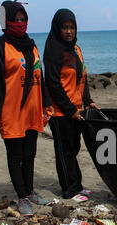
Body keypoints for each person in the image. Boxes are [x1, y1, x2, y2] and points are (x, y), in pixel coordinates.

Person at [0, 1, 54, 216]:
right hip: (11, 111)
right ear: (5, 21)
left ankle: (30, 190)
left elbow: (38, 75)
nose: (20, 23)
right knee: (15, 156)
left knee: (30, 154)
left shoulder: (31, 45)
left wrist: (46, 103)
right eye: (16, 19)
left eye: (23, 19)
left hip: (33, 109)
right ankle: (22, 197)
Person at [44, 9, 99, 203]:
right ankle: (69, 189)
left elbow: (81, 78)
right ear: (57, 29)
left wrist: (87, 100)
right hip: (60, 111)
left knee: (74, 148)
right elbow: (53, 84)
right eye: (64, 27)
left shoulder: (76, 49)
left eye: (72, 27)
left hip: (76, 108)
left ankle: (78, 185)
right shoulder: (53, 50)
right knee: (64, 151)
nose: (69, 31)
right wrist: (70, 110)